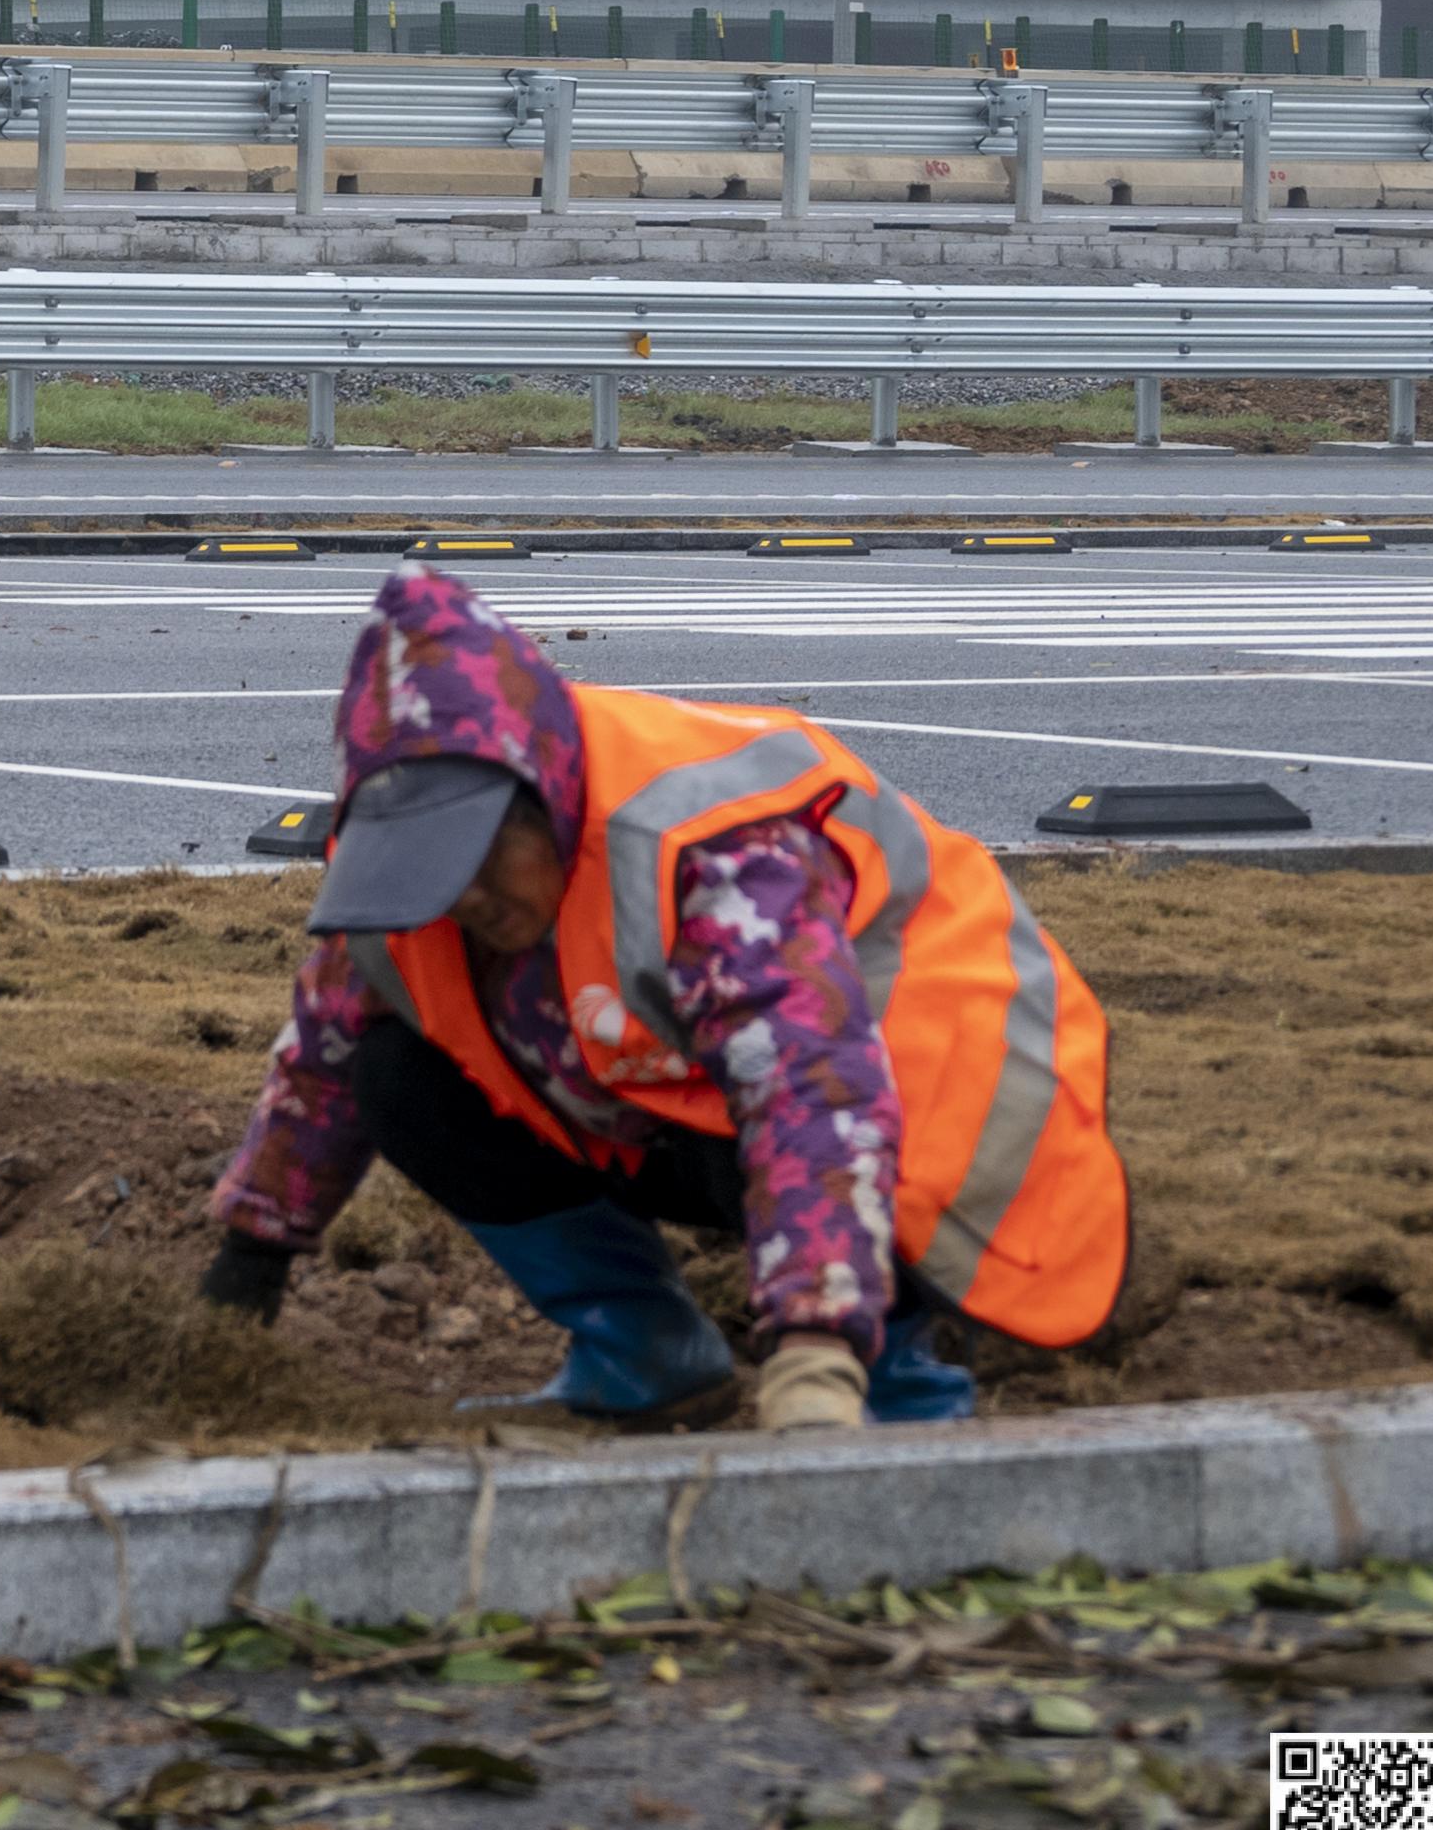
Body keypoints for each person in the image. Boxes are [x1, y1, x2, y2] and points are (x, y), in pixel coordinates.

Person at [196, 568, 1128, 1431]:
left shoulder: (711, 850)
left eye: (484, 855)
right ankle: (645, 1353)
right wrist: (249, 1266)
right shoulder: (410, 885)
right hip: (709, 1108)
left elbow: (810, 1091)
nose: (465, 897)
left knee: (773, 1108)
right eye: (435, 865)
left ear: (547, 795)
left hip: (946, 1098)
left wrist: (816, 1348)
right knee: (396, 1072)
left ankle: (897, 1388)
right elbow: (324, 1053)